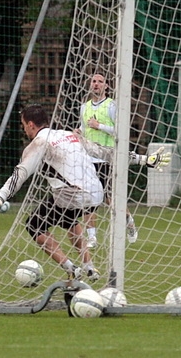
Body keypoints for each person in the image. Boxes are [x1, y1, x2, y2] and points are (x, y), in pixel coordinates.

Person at [0, 104, 170, 282]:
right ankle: (89, 266)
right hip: (96, 194)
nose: (24, 130)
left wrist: (0, 198)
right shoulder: (69, 135)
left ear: (30, 124)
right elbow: (105, 152)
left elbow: (20, 173)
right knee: (67, 217)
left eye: (24, 125)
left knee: (34, 225)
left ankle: (72, 268)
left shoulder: (38, 143)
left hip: (73, 195)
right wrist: (145, 159)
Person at [76, 72, 138, 248]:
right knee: (89, 197)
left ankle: (129, 222)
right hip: (89, 159)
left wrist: (99, 126)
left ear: (106, 86)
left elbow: (121, 130)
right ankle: (92, 237)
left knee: (111, 199)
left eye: (100, 82)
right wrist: (79, 132)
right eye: (94, 81)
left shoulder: (111, 106)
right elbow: (84, 127)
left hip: (107, 159)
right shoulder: (84, 107)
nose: (96, 84)